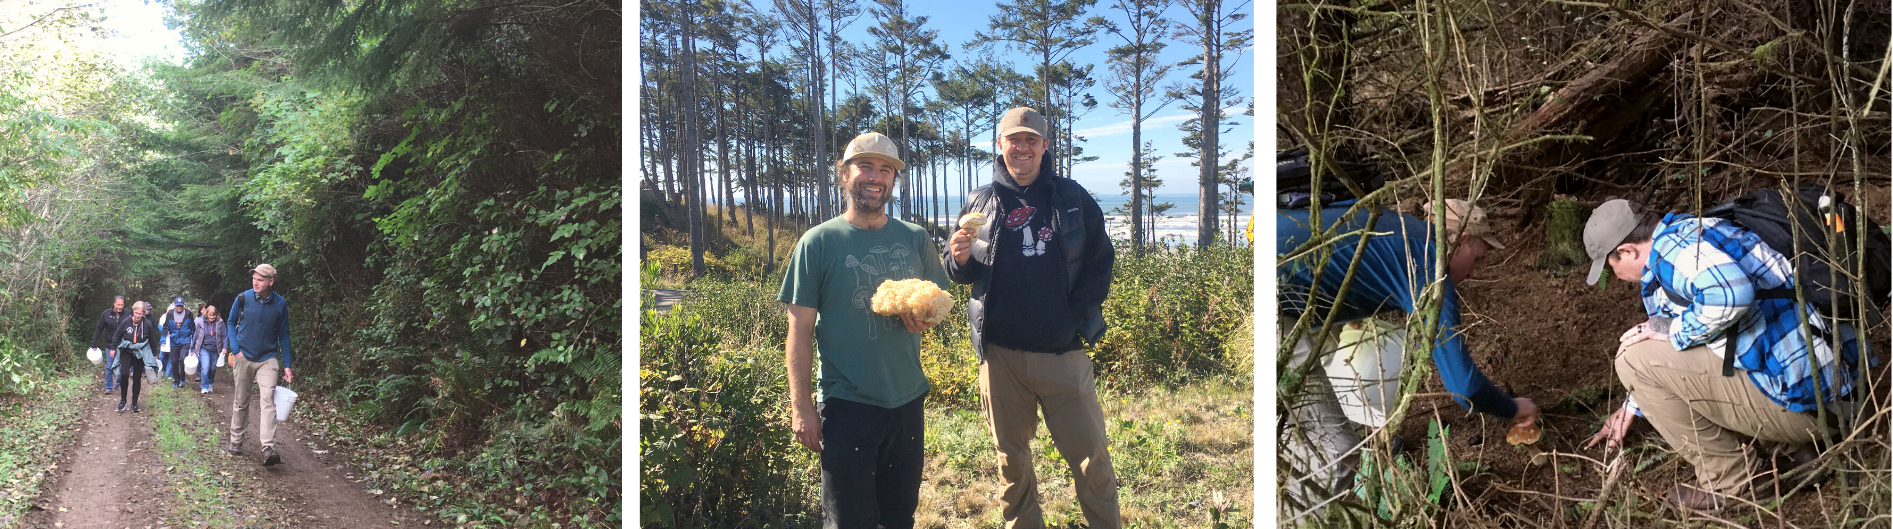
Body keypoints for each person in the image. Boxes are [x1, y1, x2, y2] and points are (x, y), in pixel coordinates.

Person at [1579, 199, 1859, 511]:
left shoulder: (1674, 253)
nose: (1615, 276)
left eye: (1611, 266)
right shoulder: (1698, 230)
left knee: (1631, 359)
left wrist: (1673, 332)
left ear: (1628, 251)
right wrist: (1634, 404)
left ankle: (1735, 482)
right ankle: (1799, 450)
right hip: (1841, 396)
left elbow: (1733, 294)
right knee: (1657, 351)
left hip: (1812, 410)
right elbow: (1685, 331)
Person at [1275, 199, 1541, 521]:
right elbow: (1464, 388)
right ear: (1461, 240)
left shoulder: (1402, 229)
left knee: (1296, 434)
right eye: (1478, 259)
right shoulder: (1429, 265)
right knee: (1336, 453)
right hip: (1268, 303)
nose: (1473, 272)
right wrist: (1512, 408)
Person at [944, 107, 1120, 529]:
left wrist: (1074, 318)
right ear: (999, 145)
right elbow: (961, 271)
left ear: (1045, 146)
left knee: (1091, 458)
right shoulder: (980, 201)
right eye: (1014, 139)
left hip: (1063, 353)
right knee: (1012, 461)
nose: (1022, 148)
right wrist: (957, 258)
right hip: (1001, 357)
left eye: (1031, 140)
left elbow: (1100, 261)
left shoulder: (1072, 197)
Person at [779, 132, 947, 529]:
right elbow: (799, 331)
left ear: (893, 180)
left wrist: (927, 318)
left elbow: (938, 303)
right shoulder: (818, 243)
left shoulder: (915, 238)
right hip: (846, 405)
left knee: (899, 517)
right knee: (848, 520)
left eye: (885, 170)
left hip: (907, 400)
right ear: (844, 174)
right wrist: (801, 408)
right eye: (865, 166)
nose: (875, 177)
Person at [224, 264, 295, 467]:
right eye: (254, 278)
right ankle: (236, 441)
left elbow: (284, 334)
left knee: (267, 400)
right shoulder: (243, 298)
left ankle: (268, 448)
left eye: (260, 279)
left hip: (268, 358)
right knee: (241, 400)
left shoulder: (280, 304)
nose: (255, 282)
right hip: (243, 356)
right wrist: (236, 349)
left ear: (271, 281)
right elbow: (230, 323)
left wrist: (287, 364)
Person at [114, 301, 158, 413]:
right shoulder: (126, 322)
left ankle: (134, 403)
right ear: (133, 312)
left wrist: (154, 354)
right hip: (127, 350)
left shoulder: (147, 324)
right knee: (124, 374)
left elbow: (152, 340)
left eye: (140, 313)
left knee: (137, 377)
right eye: (136, 313)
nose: (138, 315)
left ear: (144, 313)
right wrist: (113, 348)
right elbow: (117, 335)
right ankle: (123, 401)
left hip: (140, 352)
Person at [89, 296, 131, 393]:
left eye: (122, 305)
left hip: (124, 345)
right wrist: (94, 343)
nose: (120, 307)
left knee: (122, 366)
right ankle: (108, 387)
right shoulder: (106, 314)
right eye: (118, 305)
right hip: (110, 344)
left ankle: (119, 384)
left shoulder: (128, 314)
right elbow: (99, 328)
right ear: (114, 304)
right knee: (109, 366)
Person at [160, 297, 195, 389]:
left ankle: (182, 379)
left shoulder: (188, 314)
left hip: (185, 341)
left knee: (183, 359)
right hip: (174, 341)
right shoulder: (170, 314)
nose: (179, 307)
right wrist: (163, 340)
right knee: (174, 361)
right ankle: (176, 380)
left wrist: (193, 342)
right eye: (178, 306)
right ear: (175, 305)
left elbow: (193, 328)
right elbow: (165, 327)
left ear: (183, 305)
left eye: (181, 306)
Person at [191, 303, 224, 394]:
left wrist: (224, 347)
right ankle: (204, 386)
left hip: (215, 349)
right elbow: (196, 335)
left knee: (212, 368)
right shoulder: (201, 322)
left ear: (216, 315)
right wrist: (192, 348)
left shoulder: (220, 323)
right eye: (210, 315)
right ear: (206, 315)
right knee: (205, 367)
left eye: (213, 315)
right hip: (203, 348)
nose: (212, 317)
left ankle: (210, 384)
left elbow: (224, 336)